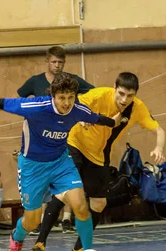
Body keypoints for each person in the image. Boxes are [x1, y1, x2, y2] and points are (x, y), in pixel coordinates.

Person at [0, 72, 120, 251]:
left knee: (81, 206)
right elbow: (2, 102)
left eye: (70, 97)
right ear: (53, 96)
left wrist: (114, 121)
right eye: (62, 98)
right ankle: (16, 238)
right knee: (33, 221)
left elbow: (97, 118)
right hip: (32, 167)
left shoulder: (78, 110)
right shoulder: (36, 107)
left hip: (61, 163)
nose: (66, 102)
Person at [28, 72, 166, 251]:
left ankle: (78, 249)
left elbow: (159, 130)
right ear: (114, 88)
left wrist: (158, 148)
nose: (124, 99)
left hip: (98, 154)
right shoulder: (99, 95)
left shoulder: (137, 109)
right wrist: (83, 118)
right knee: (65, 191)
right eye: (121, 93)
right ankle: (40, 241)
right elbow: (76, 106)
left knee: (99, 203)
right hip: (75, 144)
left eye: (130, 95)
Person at [18, 46, 95, 234]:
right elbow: (20, 97)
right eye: (54, 61)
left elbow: (93, 92)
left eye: (61, 62)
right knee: (41, 182)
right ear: (47, 61)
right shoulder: (35, 81)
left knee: (67, 177)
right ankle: (41, 220)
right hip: (39, 137)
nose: (57, 65)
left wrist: (80, 112)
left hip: (63, 134)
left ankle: (66, 219)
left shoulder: (72, 81)